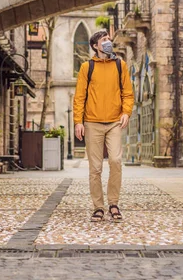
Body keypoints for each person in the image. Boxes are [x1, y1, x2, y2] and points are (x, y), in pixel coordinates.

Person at [73, 30, 134, 222]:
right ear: (95, 46)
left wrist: (126, 112)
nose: (108, 42)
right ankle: (98, 207)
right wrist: (78, 121)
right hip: (92, 122)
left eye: (109, 39)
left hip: (114, 122)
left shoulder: (120, 65)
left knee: (115, 161)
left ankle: (113, 204)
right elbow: (80, 97)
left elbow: (127, 92)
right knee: (95, 167)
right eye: (104, 40)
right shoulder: (87, 67)